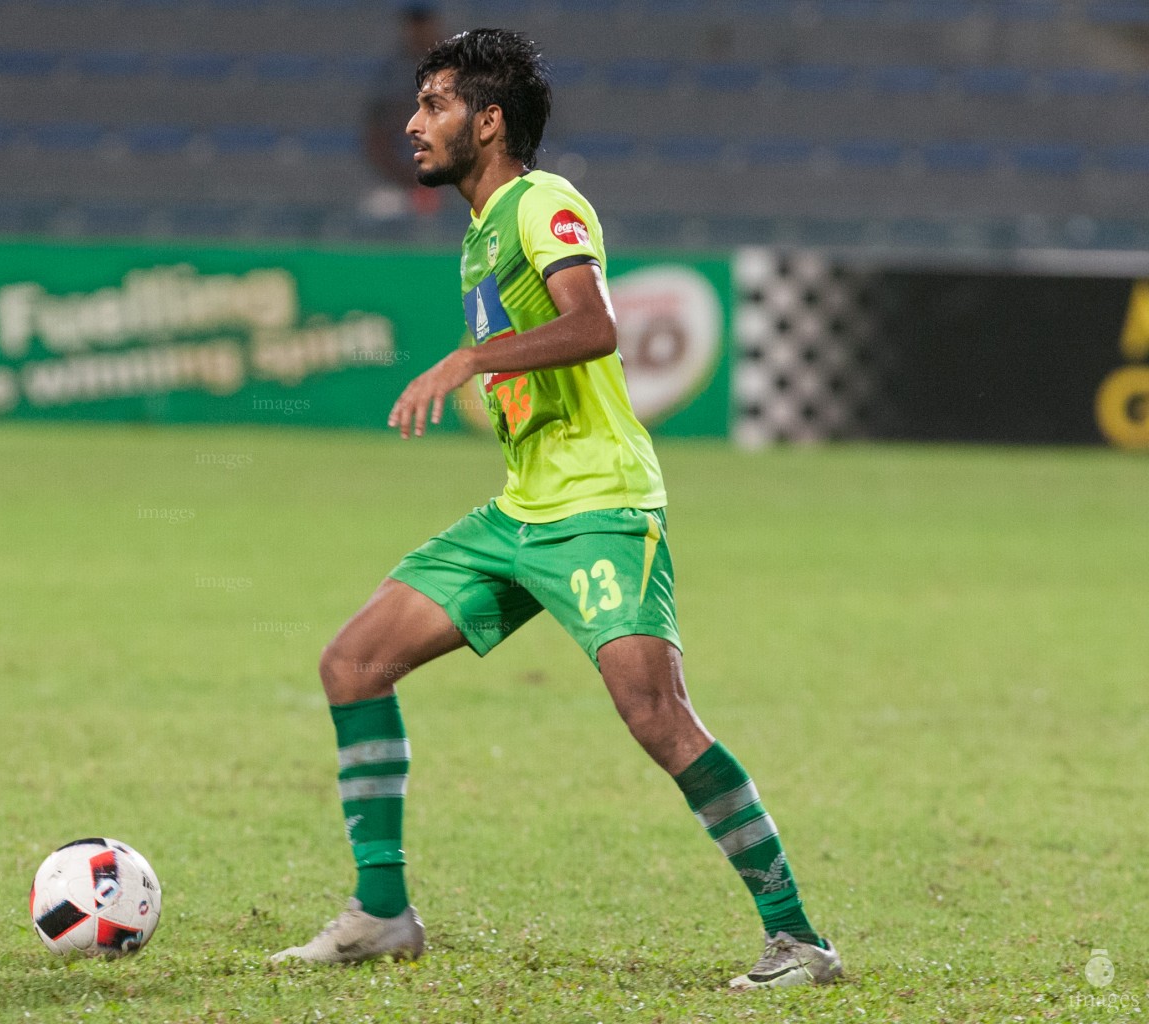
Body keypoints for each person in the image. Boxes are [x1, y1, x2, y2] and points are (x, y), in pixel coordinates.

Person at [271, 29, 844, 991]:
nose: (413, 123)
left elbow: (594, 326)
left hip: (601, 509)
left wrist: (467, 360)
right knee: (354, 662)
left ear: (489, 122)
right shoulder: (482, 228)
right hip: (524, 511)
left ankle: (800, 942)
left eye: (437, 105)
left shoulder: (542, 202)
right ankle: (381, 914)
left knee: (658, 718)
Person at [360, 4, 446, 220]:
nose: (419, 33)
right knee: (376, 212)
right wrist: (409, 178)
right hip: (400, 179)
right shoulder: (391, 74)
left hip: (451, 181)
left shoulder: (456, 71)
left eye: (424, 25)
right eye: (414, 26)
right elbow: (375, 137)